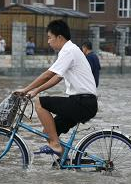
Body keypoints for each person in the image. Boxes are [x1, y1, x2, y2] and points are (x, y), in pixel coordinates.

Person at [15, 20, 97, 156]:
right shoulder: (71, 50)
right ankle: (63, 160)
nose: (48, 41)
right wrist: (35, 90)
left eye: (49, 38)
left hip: (82, 102)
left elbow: (48, 75)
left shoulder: (69, 51)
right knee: (48, 131)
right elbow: (57, 77)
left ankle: (56, 146)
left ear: (59, 37)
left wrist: (27, 90)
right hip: (83, 102)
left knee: (40, 103)